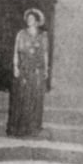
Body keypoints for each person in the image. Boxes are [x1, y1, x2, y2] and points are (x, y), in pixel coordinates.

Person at [7, 8, 51, 137]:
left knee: (35, 97)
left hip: (37, 69)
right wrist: (16, 66)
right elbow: (16, 51)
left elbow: (45, 53)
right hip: (24, 68)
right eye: (28, 18)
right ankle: (19, 128)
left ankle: (33, 127)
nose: (29, 21)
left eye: (32, 19)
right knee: (22, 97)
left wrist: (46, 69)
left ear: (37, 21)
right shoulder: (21, 34)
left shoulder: (43, 36)